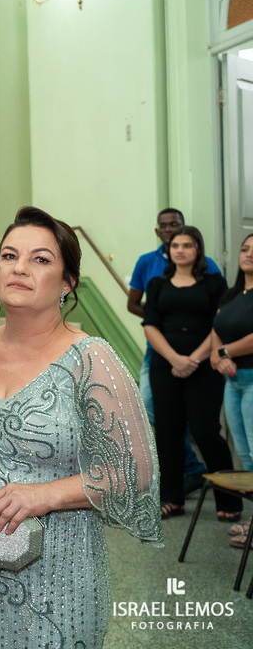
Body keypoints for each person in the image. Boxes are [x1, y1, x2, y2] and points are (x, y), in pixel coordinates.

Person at [0, 206, 161, 648]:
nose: (19, 268)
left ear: (68, 282)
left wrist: (44, 494)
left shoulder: (92, 360)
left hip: (55, 573)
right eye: (10, 255)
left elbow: (135, 472)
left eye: (40, 259)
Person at [143, 226, 240, 521]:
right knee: (169, 433)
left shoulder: (213, 283)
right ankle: (172, 498)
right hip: (165, 366)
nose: (180, 250)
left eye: (187, 245)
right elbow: (150, 325)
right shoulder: (157, 285)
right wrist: (174, 358)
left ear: (198, 249)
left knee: (205, 431)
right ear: (169, 251)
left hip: (204, 367)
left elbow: (219, 324)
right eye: (175, 246)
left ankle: (230, 499)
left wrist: (193, 360)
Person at [126, 207, 221, 484]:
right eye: (164, 227)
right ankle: (191, 467)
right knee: (151, 408)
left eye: (175, 225)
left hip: (200, 356)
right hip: (159, 352)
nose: (169, 231)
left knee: (199, 420)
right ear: (158, 231)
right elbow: (133, 303)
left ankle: (194, 472)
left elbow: (218, 313)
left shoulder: (209, 267)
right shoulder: (147, 263)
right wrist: (161, 323)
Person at [210, 233, 253, 547]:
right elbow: (216, 332)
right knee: (246, 457)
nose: (249, 254)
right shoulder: (231, 295)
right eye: (245, 249)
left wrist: (225, 354)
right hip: (232, 384)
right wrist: (217, 357)